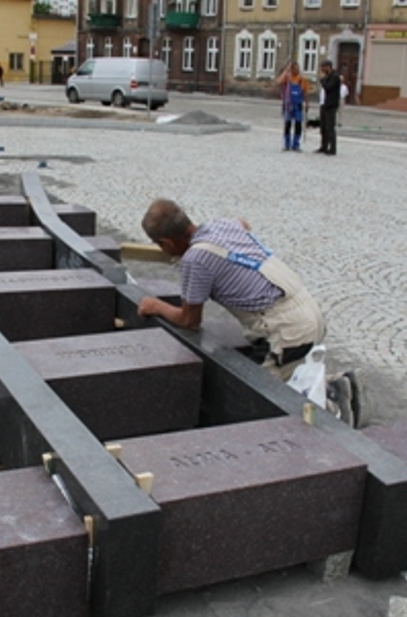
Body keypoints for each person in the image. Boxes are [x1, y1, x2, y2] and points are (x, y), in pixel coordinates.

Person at [136, 199, 326, 383]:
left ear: (166, 243)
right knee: (296, 376)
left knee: (263, 399)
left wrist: (156, 306)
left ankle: (335, 393)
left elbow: (189, 321)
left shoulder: (195, 260)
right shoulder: (223, 225)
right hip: (309, 311)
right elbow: (243, 224)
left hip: (288, 331)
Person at [276, 61, 309, 152]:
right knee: (288, 124)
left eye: (297, 68)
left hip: (298, 105)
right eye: (294, 68)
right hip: (288, 105)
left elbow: (305, 92)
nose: (296, 70)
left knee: (298, 125)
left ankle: (296, 144)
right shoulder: (287, 78)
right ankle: (287, 144)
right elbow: (278, 81)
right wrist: (286, 70)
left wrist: (307, 103)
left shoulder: (302, 79)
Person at [316, 60, 340, 156]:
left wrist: (322, 80)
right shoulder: (327, 77)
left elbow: (328, 87)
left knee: (330, 127)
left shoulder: (335, 77)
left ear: (328, 67)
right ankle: (324, 146)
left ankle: (332, 148)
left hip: (331, 105)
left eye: (323, 67)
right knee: (323, 127)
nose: (322, 69)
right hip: (324, 104)